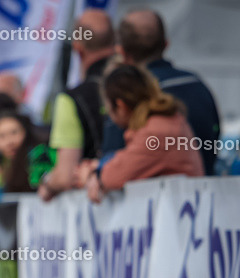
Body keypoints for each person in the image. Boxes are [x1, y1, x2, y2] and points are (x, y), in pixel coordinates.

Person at [102, 9, 220, 175]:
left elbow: (111, 159)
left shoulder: (128, 95)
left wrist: (95, 173)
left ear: (121, 52)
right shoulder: (197, 84)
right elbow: (215, 140)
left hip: (146, 196)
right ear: (166, 44)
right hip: (205, 192)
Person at [85, 64, 202, 203]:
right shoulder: (166, 122)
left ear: (121, 106)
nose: (109, 115)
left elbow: (116, 175)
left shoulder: (155, 132)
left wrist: (93, 174)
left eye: (108, 109)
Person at [38, 9, 116, 200]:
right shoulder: (142, 84)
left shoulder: (71, 99)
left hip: (100, 209)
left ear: (77, 47)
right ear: (115, 44)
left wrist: (47, 182)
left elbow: (64, 176)